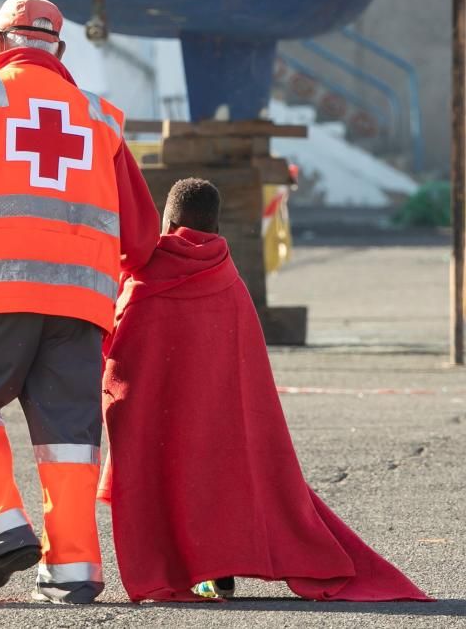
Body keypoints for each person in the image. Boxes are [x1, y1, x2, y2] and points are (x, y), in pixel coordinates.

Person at [0, 0, 159, 604]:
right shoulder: (103, 118)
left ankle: (1, 530)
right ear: (59, 52)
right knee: (69, 438)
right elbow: (142, 238)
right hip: (84, 309)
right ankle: (74, 573)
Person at [98, 178, 431, 603]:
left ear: (168, 222)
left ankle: (187, 569)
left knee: (167, 477)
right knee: (225, 473)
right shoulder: (229, 279)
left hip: (161, 415)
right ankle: (221, 571)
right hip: (220, 412)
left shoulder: (144, 279)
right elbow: (246, 362)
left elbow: (119, 347)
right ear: (217, 228)